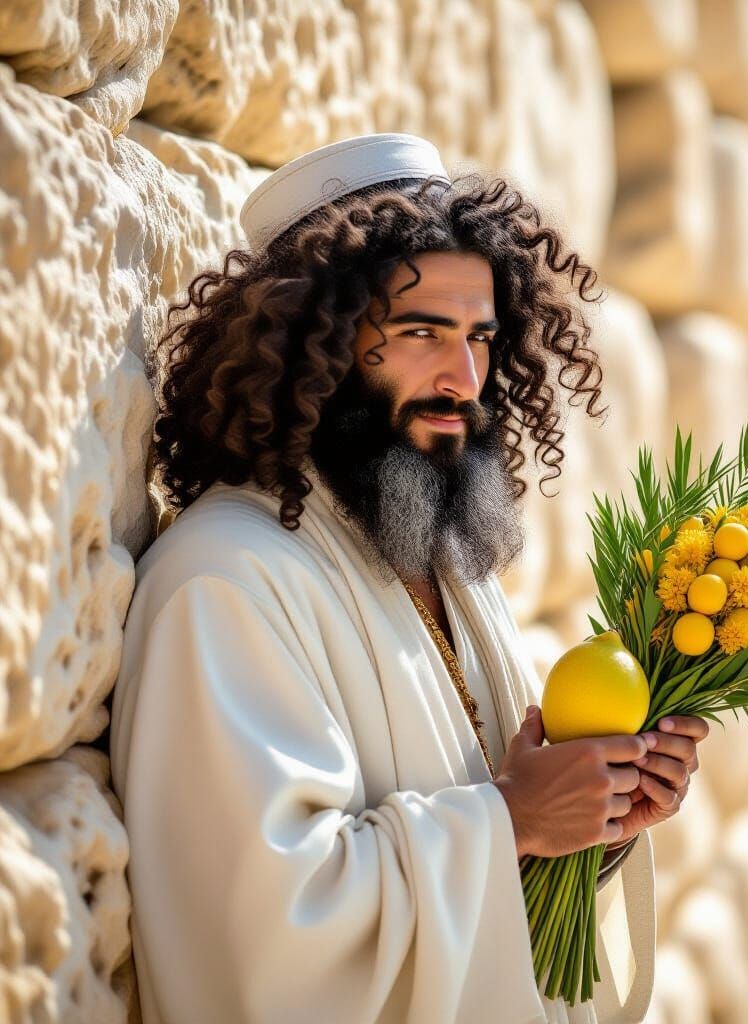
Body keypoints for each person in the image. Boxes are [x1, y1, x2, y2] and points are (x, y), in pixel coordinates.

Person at [110, 133, 710, 1024]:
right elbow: (261, 936)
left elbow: (509, 882)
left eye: (478, 338)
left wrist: (601, 819)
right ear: (307, 341)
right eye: (420, 332)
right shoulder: (222, 582)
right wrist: (513, 819)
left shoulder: (439, 562)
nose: (463, 379)